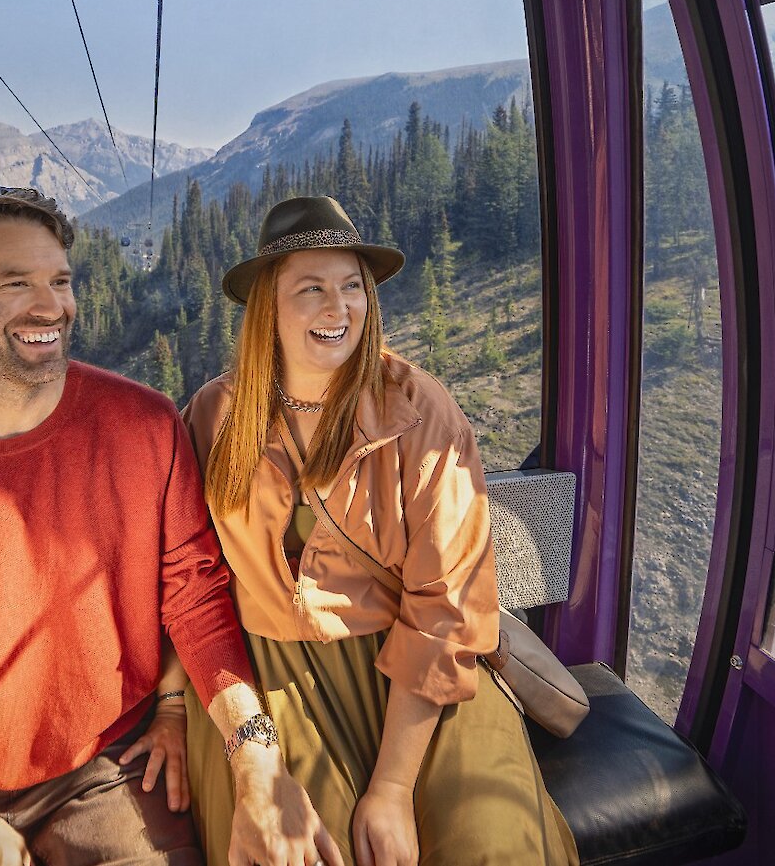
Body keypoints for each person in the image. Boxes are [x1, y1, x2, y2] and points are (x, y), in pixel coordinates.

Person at [0, 183, 340, 866]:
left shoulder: (144, 430)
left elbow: (196, 601)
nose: (52, 305)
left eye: (60, 279)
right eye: (15, 282)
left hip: (107, 767)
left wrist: (258, 762)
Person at [169, 197, 578, 866]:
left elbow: (448, 605)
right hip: (275, 674)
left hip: (418, 670)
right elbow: (183, 575)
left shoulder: (419, 409)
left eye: (353, 285)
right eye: (312, 289)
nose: (340, 308)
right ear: (268, 308)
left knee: (492, 844)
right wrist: (169, 706)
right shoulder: (216, 416)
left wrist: (391, 787)